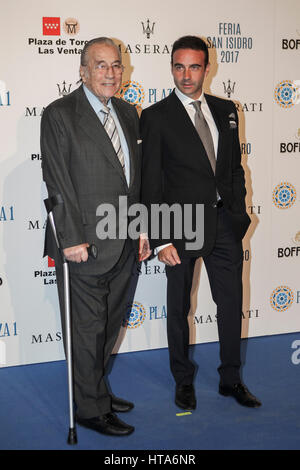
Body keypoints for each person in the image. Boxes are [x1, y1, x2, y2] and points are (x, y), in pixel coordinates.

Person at [140, 35, 261, 410]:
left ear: (207, 68)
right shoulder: (156, 116)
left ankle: (231, 379)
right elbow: (150, 182)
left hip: (225, 223)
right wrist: (160, 239)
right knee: (178, 308)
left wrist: (239, 214)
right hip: (180, 226)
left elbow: (234, 169)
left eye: (194, 66)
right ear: (171, 68)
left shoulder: (227, 109)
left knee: (230, 303)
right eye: (179, 66)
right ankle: (183, 381)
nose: (186, 75)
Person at [41, 37, 150, 436]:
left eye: (115, 65)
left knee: (107, 326)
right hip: (82, 243)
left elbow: (132, 181)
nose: (110, 72)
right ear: (83, 71)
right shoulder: (60, 114)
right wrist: (70, 239)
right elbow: (57, 181)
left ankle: (94, 389)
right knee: (87, 329)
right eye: (100, 65)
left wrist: (140, 228)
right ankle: (89, 408)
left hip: (123, 241)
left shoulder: (127, 111)